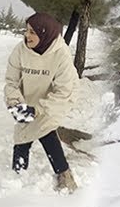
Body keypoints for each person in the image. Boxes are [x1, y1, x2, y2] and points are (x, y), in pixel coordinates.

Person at [5, 12, 79, 192]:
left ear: (44, 33)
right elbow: (11, 81)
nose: (27, 36)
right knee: (23, 129)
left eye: (32, 32)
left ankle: (64, 175)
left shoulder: (60, 54)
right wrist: (16, 103)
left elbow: (63, 91)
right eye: (26, 31)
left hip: (56, 98)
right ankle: (18, 175)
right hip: (28, 96)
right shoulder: (20, 50)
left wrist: (38, 110)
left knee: (45, 129)